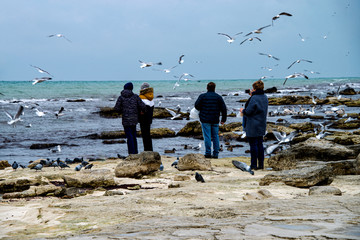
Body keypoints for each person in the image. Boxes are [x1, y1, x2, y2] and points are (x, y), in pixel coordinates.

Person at [240, 80, 268, 170]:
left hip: (253, 124)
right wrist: (252, 96)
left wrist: (242, 111)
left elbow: (248, 111)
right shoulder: (265, 97)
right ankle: (261, 165)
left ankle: (253, 165)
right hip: (262, 123)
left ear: (254, 88)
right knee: (260, 144)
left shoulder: (254, 98)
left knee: (253, 145)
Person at [195, 82, 227, 159]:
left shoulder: (202, 96)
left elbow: (196, 106)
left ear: (207, 88)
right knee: (215, 136)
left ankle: (208, 153)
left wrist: (202, 109)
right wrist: (223, 119)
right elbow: (224, 109)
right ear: (214, 88)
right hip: (215, 119)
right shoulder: (218, 97)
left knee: (207, 137)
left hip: (205, 119)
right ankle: (215, 154)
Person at [114, 82, 146, 155]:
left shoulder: (121, 97)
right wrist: (141, 111)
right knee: (134, 136)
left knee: (129, 137)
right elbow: (143, 106)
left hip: (125, 120)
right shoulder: (135, 97)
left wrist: (122, 110)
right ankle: (135, 152)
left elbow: (116, 108)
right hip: (134, 119)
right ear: (131, 88)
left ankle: (131, 153)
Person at [139, 82, 154, 151]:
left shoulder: (141, 98)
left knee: (144, 135)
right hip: (149, 118)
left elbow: (141, 109)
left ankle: (146, 150)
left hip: (143, 119)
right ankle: (150, 149)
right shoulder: (151, 97)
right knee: (148, 134)